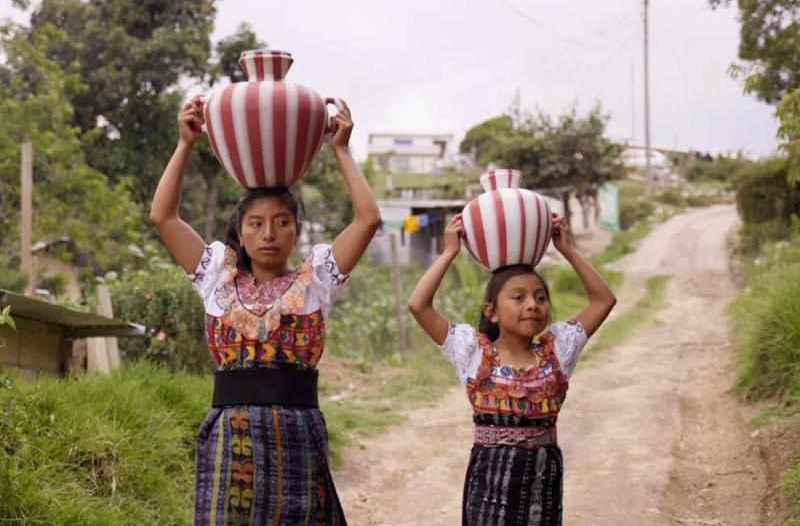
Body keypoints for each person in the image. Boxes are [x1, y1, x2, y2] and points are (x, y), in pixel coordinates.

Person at [150, 94, 379, 525]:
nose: (269, 234)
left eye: (282, 222)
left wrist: (342, 151)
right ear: (240, 230)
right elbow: (163, 216)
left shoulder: (317, 280)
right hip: (229, 436)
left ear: (296, 231)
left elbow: (367, 220)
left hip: (298, 437)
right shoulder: (216, 276)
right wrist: (184, 145)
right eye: (256, 223)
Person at [408, 213, 616, 525]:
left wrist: (568, 250)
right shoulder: (472, 352)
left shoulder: (558, 350)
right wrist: (449, 252)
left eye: (540, 297)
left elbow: (603, 300)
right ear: (491, 311)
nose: (532, 305)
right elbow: (418, 305)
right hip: (487, 486)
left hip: (542, 485)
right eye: (518, 298)